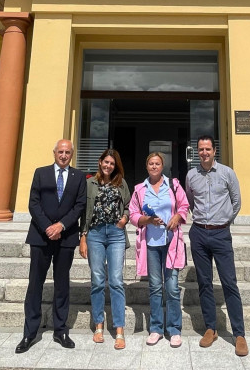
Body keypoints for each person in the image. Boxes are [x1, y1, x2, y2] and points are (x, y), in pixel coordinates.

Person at [16, 139, 86, 354]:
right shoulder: (41, 173)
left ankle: (61, 330)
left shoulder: (79, 176)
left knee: (62, 284)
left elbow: (80, 205)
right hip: (40, 236)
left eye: (67, 152)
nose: (64, 155)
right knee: (35, 283)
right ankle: (30, 332)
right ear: (54, 153)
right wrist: (48, 227)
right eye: (60, 152)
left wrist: (62, 226)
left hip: (66, 238)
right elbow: (33, 203)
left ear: (72, 154)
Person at [184, 136, 247, 357]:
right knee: (204, 283)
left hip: (221, 234)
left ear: (214, 150)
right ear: (197, 152)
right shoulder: (191, 175)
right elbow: (190, 201)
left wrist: (224, 221)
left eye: (207, 149)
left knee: (229, 283)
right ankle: (211, 328)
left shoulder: (227, 173)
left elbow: (236, 200)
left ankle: (239, 334)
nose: (204, 153)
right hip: (199, 233)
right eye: (200, 149)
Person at [128, 151, 189, 348]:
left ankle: (174, 329)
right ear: (147, 167)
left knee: (171, 287)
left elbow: (184, 205)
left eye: (157, 164)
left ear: (162, 167)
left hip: (171, 242)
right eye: (151, 164)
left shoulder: (173, 185)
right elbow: (133, 215)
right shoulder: (139, 189)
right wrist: (148, 220)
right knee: (154, 287)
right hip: (151, 245)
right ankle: (155, 328)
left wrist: (176, 218)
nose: (154, 166)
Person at [78, 149, 131, 350]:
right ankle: (99, 326)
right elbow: (84, 212)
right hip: (95, 234)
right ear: (100, 162)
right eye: (106, 162)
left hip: (116, 234)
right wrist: (83, 236)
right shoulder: (89, 183)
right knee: (98, 280)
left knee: (116, 281)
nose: (108, 166)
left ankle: (119, 329)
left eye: (112, 163)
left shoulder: (121, 183)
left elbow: (128, 205)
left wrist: (124, 219)